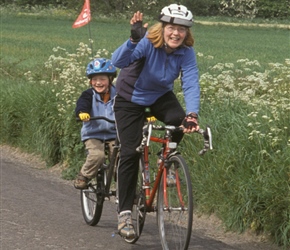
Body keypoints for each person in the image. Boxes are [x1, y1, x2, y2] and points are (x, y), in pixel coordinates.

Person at [111, 4, 200, 239]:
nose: (176, 33)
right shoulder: (149, 42)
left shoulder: (186, 52)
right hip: (130, 97)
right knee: (130, 151)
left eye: (181, 29)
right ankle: (125, 213)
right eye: (172, 27)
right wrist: (132, 39)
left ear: (186, 33)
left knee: (179, 120)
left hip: (159, 95)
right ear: (163, 28)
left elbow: (190, 82)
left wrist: (192, 114)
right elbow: (118, 61)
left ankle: (167, 161)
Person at [74, 58, 117, 189]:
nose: (98, 83)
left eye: (102, 79)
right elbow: (82, 104)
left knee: (120, 157)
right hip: (93, 134)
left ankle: (122, 183)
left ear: (110, 79)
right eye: (94, 79)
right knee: (97, 156)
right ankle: (84, 175)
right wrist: (82, 112)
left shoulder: (119, 95)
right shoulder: (88, 94)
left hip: (114, 134)